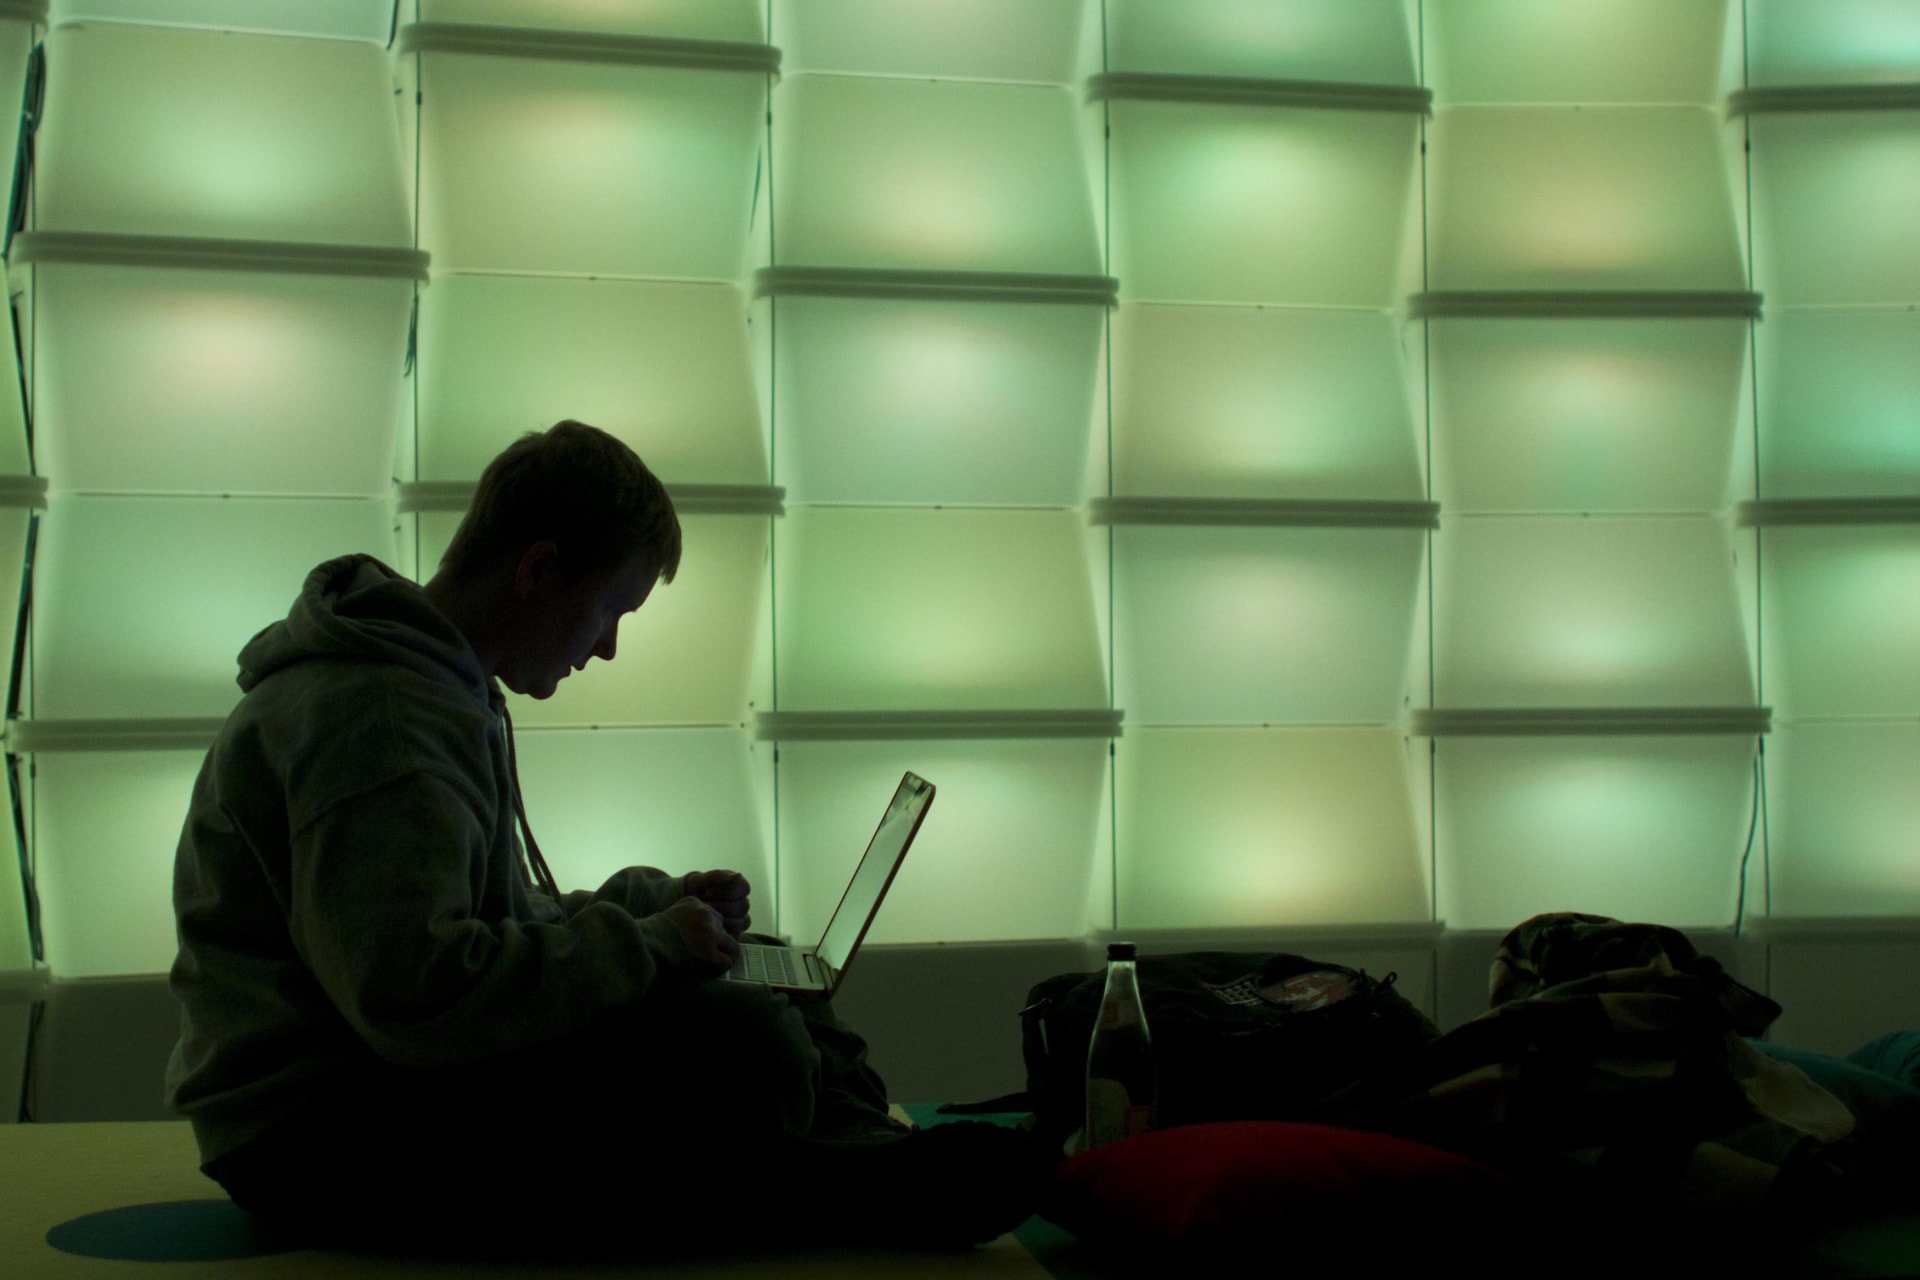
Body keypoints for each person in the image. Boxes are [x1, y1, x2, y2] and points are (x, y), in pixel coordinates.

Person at [166, 421, 1043, 1255]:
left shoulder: (437, 689)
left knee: (770, 989)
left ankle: (850, 1153)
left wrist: (657, 909)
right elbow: (417, 997)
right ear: (538, 570)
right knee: (748, 1051)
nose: (609, 649)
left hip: (386, 1082)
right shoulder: (382, 725)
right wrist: (647, 944)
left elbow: (496, 922)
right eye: (608, 613)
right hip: (322, 1135)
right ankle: (852, 1176)